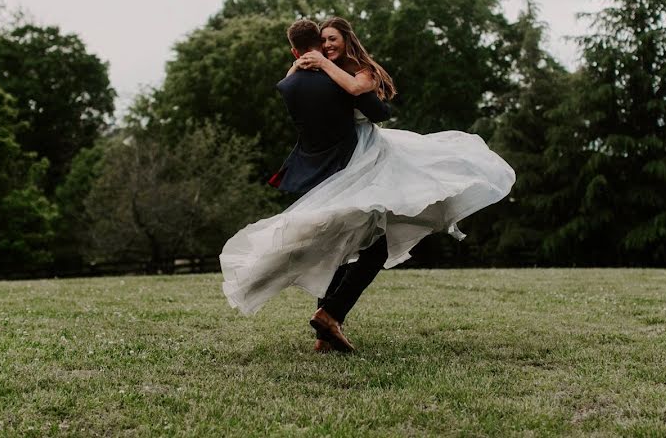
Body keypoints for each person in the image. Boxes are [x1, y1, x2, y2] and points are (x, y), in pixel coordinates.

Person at [220, 17, 516, 354]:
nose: (328, 45)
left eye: (333, 39)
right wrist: (308, 66)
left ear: (347, 40)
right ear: (314, 45)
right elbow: (354, 104)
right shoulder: (322, 76)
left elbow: (371, 103)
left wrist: (314, 65)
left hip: (368, 159)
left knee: (354, 236)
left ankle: (327, 324)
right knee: (361, 243)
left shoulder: (355, 71)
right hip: (352, 165)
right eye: (324, 40)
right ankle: (329, 318)